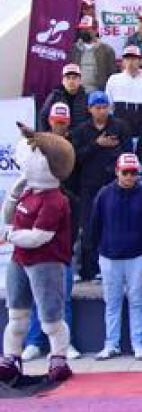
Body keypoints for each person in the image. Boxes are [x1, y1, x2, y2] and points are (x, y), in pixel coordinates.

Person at [0, 125, 76, 383]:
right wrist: (14, 193)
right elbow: (9, 214)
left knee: (51, 318)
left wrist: (9, 236)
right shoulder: (30, 190)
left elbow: (39, 236)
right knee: (16, 314)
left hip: (46, 262)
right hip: (20, 259)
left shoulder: (55, 200)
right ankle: (11, 357)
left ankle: (58, 357)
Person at [90, 153, 142, 361]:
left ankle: (139, 344)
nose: (129, 176)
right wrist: (98, 250)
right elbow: (95, 224)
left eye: (133, 173)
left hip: (137, 256)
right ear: (117, 171)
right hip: (109, 256)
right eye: (125, 172)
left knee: (136, 300)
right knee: (112, 301)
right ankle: (111, 344)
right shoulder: (104, 194)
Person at [70, 92, 129, 282]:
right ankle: (91, 268)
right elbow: (76, 158)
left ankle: (114, 267)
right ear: (89, 109)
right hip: (89, 186)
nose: (101, 111)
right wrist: (97, 144)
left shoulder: (120, 126)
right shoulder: (81, 130)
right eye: (97, 108)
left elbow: (128, 153)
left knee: (114, 225)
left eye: (104, 107)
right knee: (89, 227)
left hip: (114, 185)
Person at [105, 45, 142, 139]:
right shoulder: (113, 79)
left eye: (134, 59)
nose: (130, 62)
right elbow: (108, 107)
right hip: (119, 134)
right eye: (127, 59)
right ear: (123, 61)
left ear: (141, 61)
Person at [67, 9, 117, 94]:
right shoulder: (74, 49)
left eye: (87, 29)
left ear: (95, 30)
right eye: (82, 29)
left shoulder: (107, 50)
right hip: (77, 92)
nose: (83, 32)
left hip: (99, 93)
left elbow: (112, 75)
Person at [39, 64, 89, 132]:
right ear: (62, 81)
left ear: (80, 81)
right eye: (68, 78)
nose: (71, 81)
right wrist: (46, 136)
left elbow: (90, 121)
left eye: (74, 78)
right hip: (57, 136)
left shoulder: (86, 98)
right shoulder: (54, 96)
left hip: (79, 136)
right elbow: (43, 117)